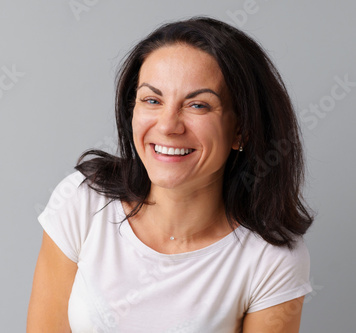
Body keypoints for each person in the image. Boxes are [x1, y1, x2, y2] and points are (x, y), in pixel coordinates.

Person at [27, 16, 313, 333]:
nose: (167, 125)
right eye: (152, 100)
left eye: (198, 105)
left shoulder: (271, 259)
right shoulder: (81, 202)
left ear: (241, 130)